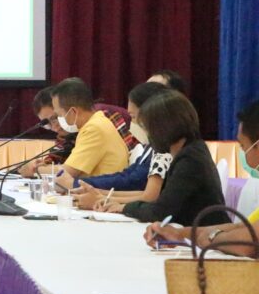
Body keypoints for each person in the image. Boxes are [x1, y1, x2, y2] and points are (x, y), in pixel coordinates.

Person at [144, 99, 259, 255]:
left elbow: (246, 242)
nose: (242, 153)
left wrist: (211, 238)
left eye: (243, 146)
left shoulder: (191, 157)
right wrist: (179, 234)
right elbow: (243, 228)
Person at [101, 90, 228, 226]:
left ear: (164, 127)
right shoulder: (191, 150)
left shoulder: (190, 160)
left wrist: (124, 208)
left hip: (206, 235)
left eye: (149, 128)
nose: (148, 135)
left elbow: (160, 212)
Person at [69, 82, 169, 209]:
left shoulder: (164, 149)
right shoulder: (152, 146)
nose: (133, 122)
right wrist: (99, 194)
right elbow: (129, 177)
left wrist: (95, 194)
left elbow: (147, 194)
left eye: (133, 116)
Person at [47, 78, 129, 179]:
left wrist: (35, 169)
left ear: (73, 112)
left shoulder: (93, 129)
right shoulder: (98, 120)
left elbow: (67, 172)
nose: (59, 120)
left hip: (103, 188)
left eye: (59, 115)